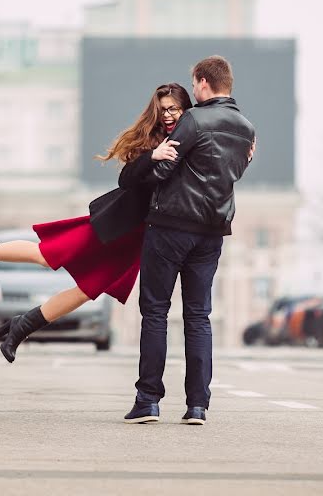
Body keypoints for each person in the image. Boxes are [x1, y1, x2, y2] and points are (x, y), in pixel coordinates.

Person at [0, 83, 194, 365]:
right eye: (163, 110)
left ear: (186, 109)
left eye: (174, 109)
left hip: (138, 240)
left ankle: (21, 327)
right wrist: (152, 156)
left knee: (87, 292)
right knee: (47, 256)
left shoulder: (192, 139)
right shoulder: (151, 139)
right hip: (113, 226)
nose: (168, 115)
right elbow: (127, 180)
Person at [125, 55, 255, 426]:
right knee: (198, 316)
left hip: (170, 227)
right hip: (212, 234)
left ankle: (148, 400)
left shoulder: (194, 120)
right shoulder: (246, 127)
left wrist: (150, 164)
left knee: (155, 313)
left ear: (201, 81)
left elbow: (163, 169)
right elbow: (233, 171)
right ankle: (197, 405)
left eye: (194, 83)